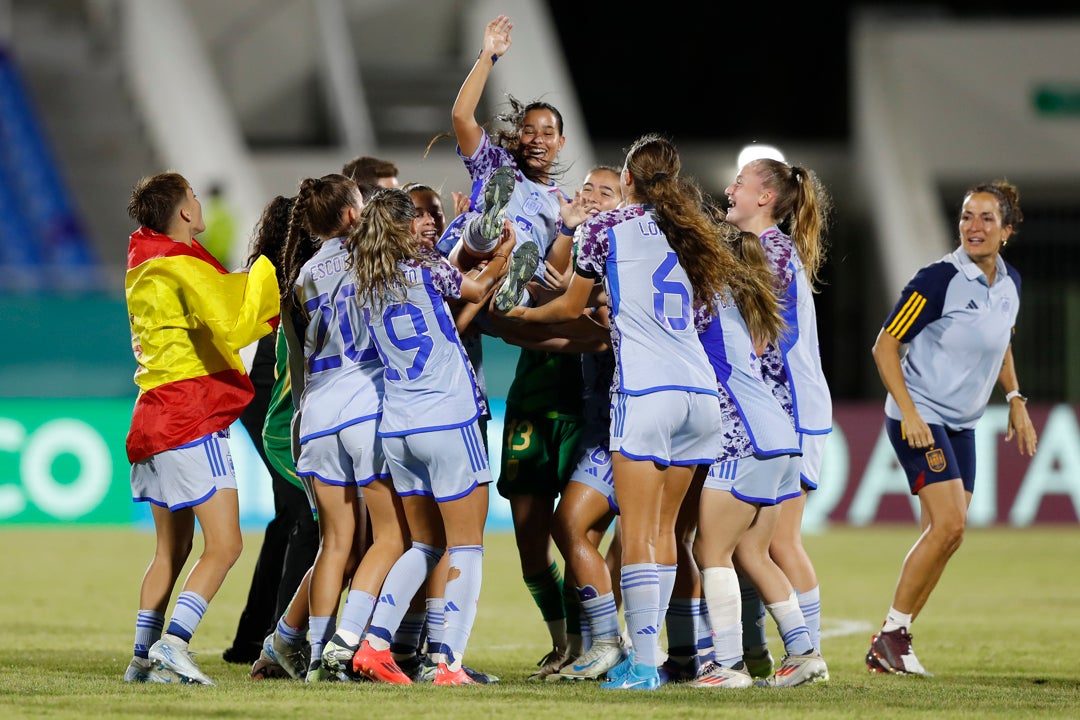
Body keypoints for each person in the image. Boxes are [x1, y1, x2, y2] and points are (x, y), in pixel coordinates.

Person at [497, 134, 734, 691]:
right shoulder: (692, 233)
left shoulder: (605, 229)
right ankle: (667, 657)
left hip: (646, 396)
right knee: (667, 534)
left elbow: (569, 308)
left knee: (644, 533)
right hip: (700, 397)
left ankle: (643, 664)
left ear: (628, 180)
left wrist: (519, 318)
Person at [866, 180, 1038, 676]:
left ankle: (894, 639)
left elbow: (999, 339)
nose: (974, 227)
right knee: (950, 525)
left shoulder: (1011, 284)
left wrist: (1014, 396)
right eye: (966, 216)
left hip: (962, 425)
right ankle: (892, 636)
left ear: (1006, 230)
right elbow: (884, 346)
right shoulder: (938, 279)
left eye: (986, 218)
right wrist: (912, 413)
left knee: (947, 535)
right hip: (919, 417)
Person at [347, 188, 515, 686]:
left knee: (422, 545)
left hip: (399, 426)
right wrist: (503, 254)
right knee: (466, 547)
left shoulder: (365, 283)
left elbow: (444, 323)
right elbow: (474, 289)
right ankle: (449, 664)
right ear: (401, 228)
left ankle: (374, 646)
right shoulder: (425, 268)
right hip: (447, 419)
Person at [122, 172, 279, 685]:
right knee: (226, 545)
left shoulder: (146, 263)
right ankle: (175, 645)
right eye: (192, 195)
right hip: (191, 414)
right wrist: (267, 271)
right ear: (186, 212)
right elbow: (234, 321)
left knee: (172, 549)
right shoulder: (182, 265)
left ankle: (142, 659)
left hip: (152, 415)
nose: (198, 201)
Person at [277, 173, 410, 683]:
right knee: (393, 536)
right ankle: (348, 641)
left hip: (317, 413)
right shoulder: (372, 256)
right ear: (354, 215)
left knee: (334, 542)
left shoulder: (305, 274)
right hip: (366, 407)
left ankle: (313, 658)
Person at [689, 223, 828, 689]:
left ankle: (726, 666)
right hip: (780, 436)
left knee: (711, 550)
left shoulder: (703, 300)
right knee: (753, 551)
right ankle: (805, 652)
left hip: (740, 436)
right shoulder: (745, 300)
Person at [722, 157, 833, 676]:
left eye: (740, 183)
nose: (730, 189)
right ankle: (777, 650)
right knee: (753, 545)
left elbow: (764, 343)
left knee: (775, 542)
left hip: (791, 411)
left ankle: (807, 652)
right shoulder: (767, 250)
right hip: (785, 410)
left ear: (765, 198)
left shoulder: (772, 254)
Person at [223, 196, 320, 667]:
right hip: (273, 399)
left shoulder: (272, 271)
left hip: (265, 394)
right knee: (306, 513)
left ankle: (254, 638)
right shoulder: (291, 274)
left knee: (289, 517)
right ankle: (282, 641)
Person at [438, 14, 569, 314]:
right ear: (518, 135)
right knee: (482, 238)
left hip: (510, 284)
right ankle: (489, 227)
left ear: (560, 143)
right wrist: (488, 56)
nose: (538, 139)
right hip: (472, 266)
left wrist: (570, 228)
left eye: (548, 133)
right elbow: (461, 117)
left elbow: (555, 272)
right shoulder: (495, 163)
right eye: (529, 131)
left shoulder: (564, 205)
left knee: (527, 284)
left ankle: (509, 281)